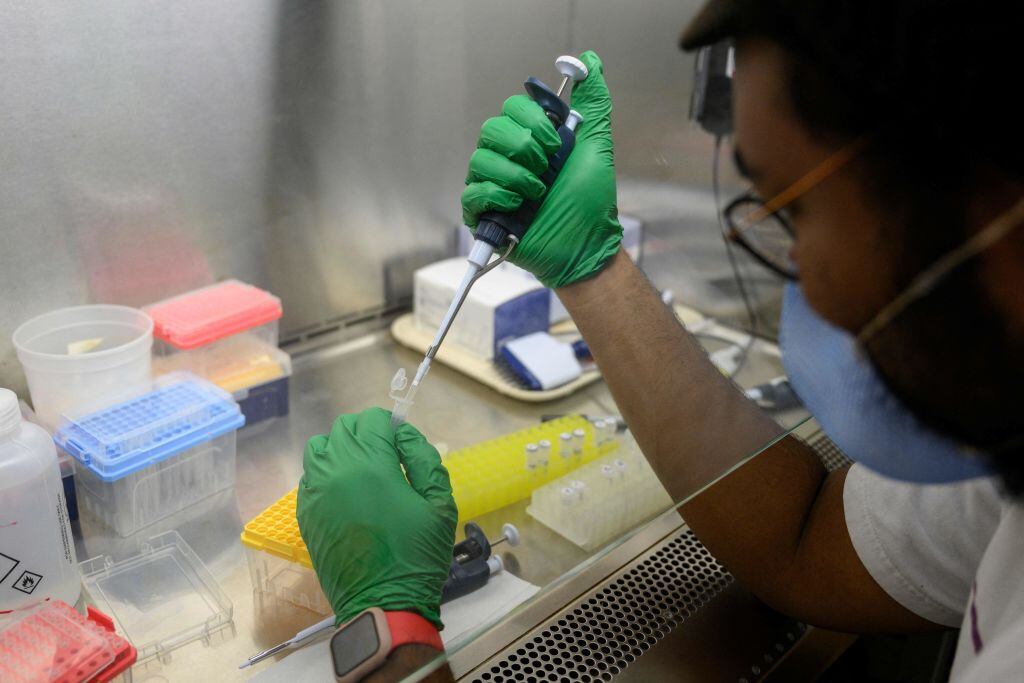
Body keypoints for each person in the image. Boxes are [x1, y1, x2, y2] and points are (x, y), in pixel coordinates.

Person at [296, 0, 1024, 680]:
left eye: (795, 209)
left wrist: (385, 629)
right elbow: (802, 538)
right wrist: (593, 265)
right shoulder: (998, 481)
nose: (806, 279)